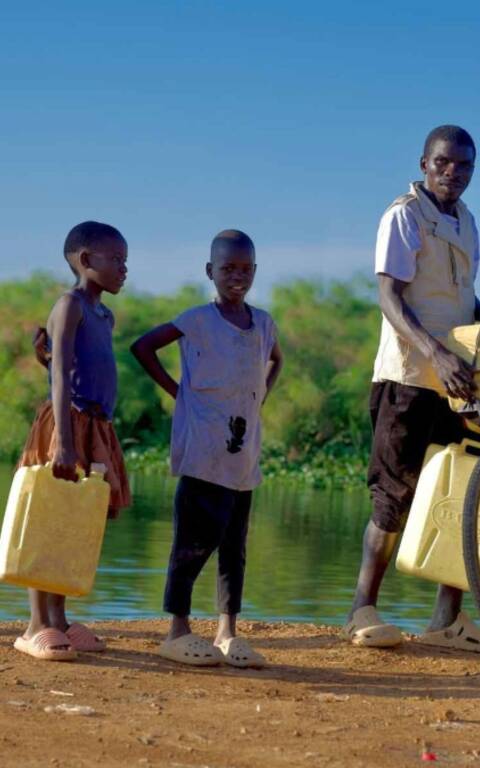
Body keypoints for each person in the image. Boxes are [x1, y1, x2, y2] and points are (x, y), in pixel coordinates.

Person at [343, 125, 480, 652]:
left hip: (459, 381)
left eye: (464, 166)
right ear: (424, 164)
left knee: (462, 491)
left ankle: (446, 621)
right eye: (443, 163)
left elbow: (455, 296)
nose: (453, 173)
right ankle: (361, 611)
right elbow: (391, 298)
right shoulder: (403, 216)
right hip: (409, 376)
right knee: (393, 492)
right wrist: (435, 351)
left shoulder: (467, 222)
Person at [131, 230, 283, 668]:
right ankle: (177, 630)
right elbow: (143, 347)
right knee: (193, 541)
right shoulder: (197, 319)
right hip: (203, 449)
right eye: (227, 269)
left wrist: (260, 395)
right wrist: (181, 394)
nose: (236, 277)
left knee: (234, 545)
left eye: (244, 269)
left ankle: (227, 632)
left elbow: (277, 360)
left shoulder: (263, 323)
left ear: (254, 272)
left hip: (243, 453)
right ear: (209, 272)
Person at [13, 221, 131, 661]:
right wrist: (63, 439)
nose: (124, 268)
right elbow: (61, 375)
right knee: (48, 518)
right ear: (86, 261)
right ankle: (34, 625)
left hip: (96, 425)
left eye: (125, 260)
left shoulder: (104, 314)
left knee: (73, 522)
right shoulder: (70, 305)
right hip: (67, 423)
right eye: (115, 259)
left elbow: (75, 363)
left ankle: (59, 620)